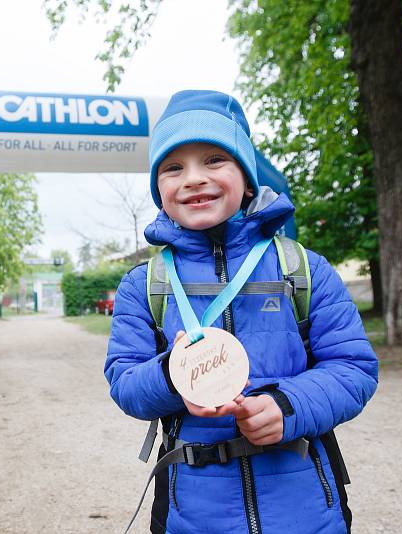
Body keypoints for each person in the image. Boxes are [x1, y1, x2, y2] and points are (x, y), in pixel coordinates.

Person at [105, 90, 378, 534]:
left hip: (306, 510)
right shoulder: (144, 284)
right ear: (158, 188)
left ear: (247, 178)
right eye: (173, 167)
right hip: (192, 514)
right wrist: (174, 374)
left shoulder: (303, 269)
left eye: (214, 160)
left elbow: (354, 368)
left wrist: (286, 408)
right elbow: (124, 383)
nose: (193, 178)